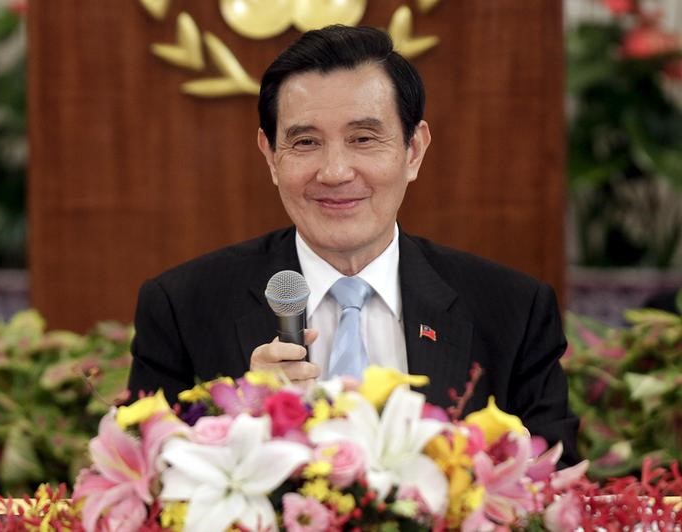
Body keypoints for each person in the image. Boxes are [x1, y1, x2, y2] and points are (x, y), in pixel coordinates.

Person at [127, 25, 579, 465]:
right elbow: (149, 486)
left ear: (414, 150)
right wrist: (241, 418)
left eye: (363, 139)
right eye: (305, 142)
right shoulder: (183, 307)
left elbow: (553, 488)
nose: (335, 172)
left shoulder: (512, 310)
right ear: (270, 157)